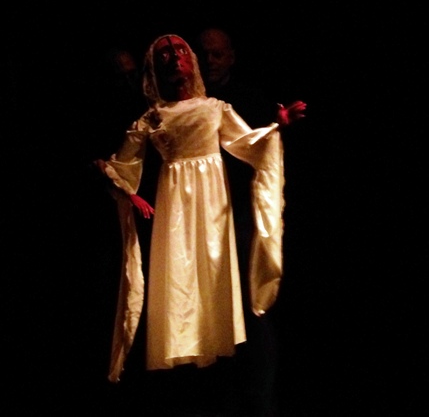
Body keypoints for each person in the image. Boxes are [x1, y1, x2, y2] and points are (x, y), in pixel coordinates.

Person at [98, 33, 306, 415]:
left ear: (190, 59)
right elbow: (124, 162)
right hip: (176, 207)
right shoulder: (154, 116)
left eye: (180, 49)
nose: (174, 56)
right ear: (155, 67)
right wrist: (119, 182)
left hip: (213, 208)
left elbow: (246, 143)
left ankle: (227, 382)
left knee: (214, 277)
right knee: (181, 280)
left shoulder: (214, 108)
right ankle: (190, 384)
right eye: (165, 53)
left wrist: (276, 126)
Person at [195, 26, 301, 416]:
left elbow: (258, 146)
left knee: (252, 306)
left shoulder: (247, 99)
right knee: (209, 307)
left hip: (237, 214)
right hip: (197, 218)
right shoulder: (187, 102)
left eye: (217, 54)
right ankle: (219, 396)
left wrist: (279, 126)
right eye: (204, 54)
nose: (210, 61)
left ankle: (259, 398)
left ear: (231, 57)